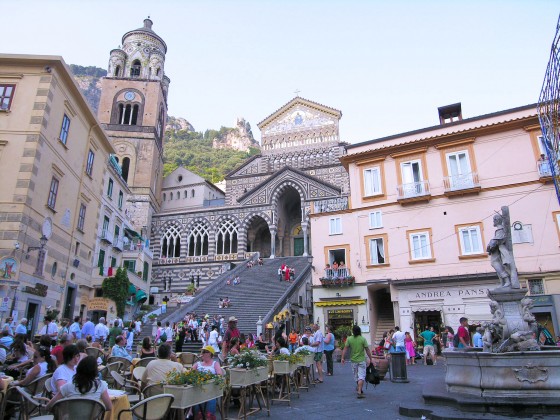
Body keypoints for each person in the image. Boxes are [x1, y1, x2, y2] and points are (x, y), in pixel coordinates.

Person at [47, 356, 112, 412]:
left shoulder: (67, 387)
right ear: (95, 371)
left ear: (78, 369)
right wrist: (96, 411)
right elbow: (109, 407)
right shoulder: (101, 385)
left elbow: (49, 407)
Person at [341, 325, 374, 399]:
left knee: (356, 376)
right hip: (362, 360)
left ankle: (359, 388)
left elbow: (345, 349)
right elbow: (367, 350)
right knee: (361, 376)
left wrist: (342, 358)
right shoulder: (363, 339)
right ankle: (359, 390)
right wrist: (370, 359)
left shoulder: (349, 339)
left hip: (353, 360)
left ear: (353, 331)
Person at [191, 346, 224, 419]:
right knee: (194, 399)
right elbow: (190, 374)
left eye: (205, 352)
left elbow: (219, 375)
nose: (203, 354)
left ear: (210, 354)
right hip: (198, 390)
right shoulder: (197, 364)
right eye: (202, 352)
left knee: (210, 398)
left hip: (210, 390)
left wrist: (210, 378)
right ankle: (197, 416)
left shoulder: (215, 364)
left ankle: (208, 416)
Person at [487, 213, 518, 288]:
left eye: (494, 220)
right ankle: (503, 282)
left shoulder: (500, 229)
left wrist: (489, 246)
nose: (493, 222)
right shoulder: (500, 230)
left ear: (497, 220)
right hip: (497, 250)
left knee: (495, 263)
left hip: (500, 250)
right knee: (496, 264)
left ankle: (507, 280)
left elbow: (497, 240)